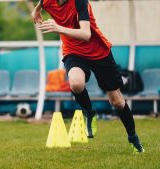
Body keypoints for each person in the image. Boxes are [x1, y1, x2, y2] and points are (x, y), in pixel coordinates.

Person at [31, 0, 144, 153]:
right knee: (76, 84)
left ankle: (132, 136)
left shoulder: (80, 2)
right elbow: (42, 2)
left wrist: (58, 28)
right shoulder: (47, 1)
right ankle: (90, 112)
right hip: (73, 52)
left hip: (99, 52)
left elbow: (86, 34)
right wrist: (37, 9)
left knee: (116, 101)